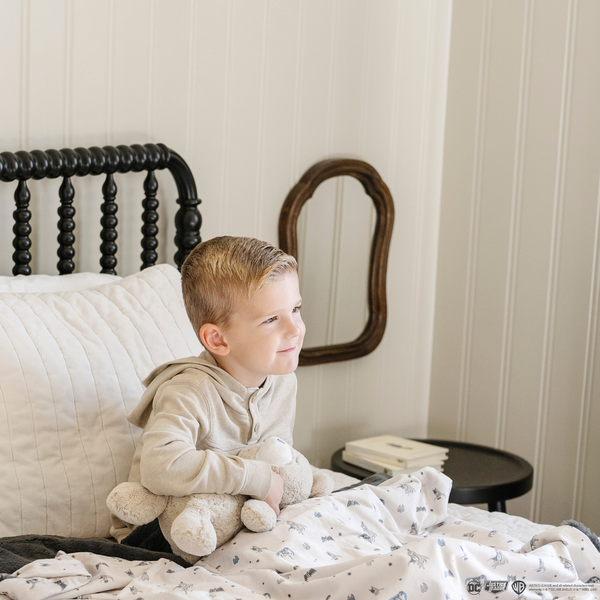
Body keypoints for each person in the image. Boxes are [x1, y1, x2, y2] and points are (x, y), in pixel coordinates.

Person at [110, 236, 305, 542]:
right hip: (165, 531)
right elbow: (161, 466)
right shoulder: (188, 391)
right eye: (271, 319)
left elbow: (277, 456)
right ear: (217, 340)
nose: (295, 329)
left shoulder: (282, 381)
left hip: (240, 519)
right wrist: (257, 477)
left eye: (295, 309)